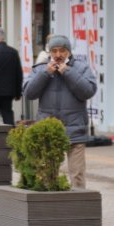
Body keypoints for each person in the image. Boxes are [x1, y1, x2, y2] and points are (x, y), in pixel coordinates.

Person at [22, 35, 97, 189]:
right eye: (54, 51)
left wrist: (68, 73)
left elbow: (88, 92)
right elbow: (29, 93)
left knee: (77, 174)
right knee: (48, 173)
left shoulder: (81, 68)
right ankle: (51, 208)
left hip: (75, 129)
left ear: (69, 52)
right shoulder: (40, 69)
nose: (58, 55)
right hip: (48, 130)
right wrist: (45, 74)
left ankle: (78, 207)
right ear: (49, 52)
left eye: (62, 51)